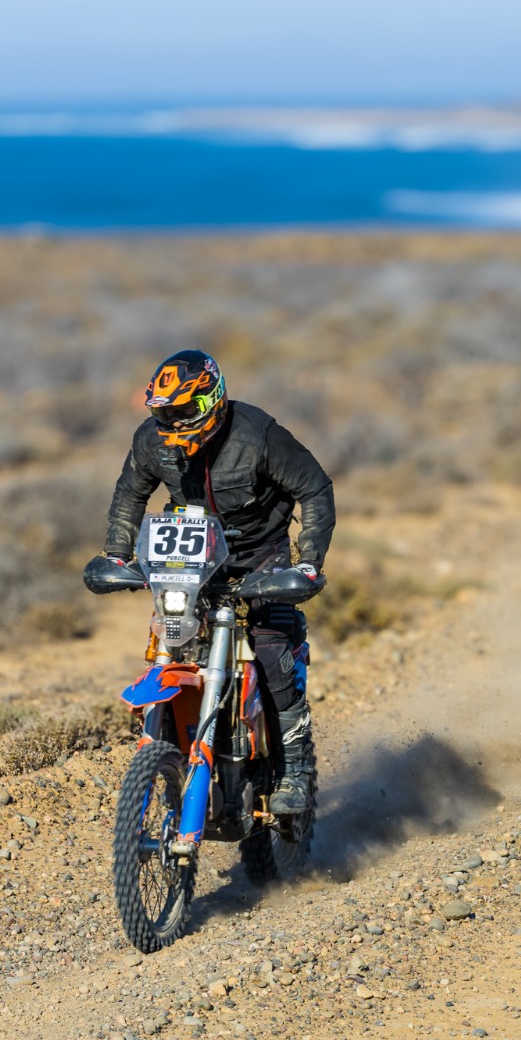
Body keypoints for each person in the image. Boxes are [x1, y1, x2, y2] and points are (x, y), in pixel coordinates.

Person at [92, 349, 334, 815]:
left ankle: (294, 769)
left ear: (211, 398)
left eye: (182, 411)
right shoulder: (151, 440)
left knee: (270, 647)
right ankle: (168, 755)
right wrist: (118, 554)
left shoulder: (257, 434)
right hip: (190, 556)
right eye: (164, 412)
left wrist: (307, 563)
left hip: (261, 555)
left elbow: (314, 487)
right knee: (172, 635)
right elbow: (129, 493)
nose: (173, 422)